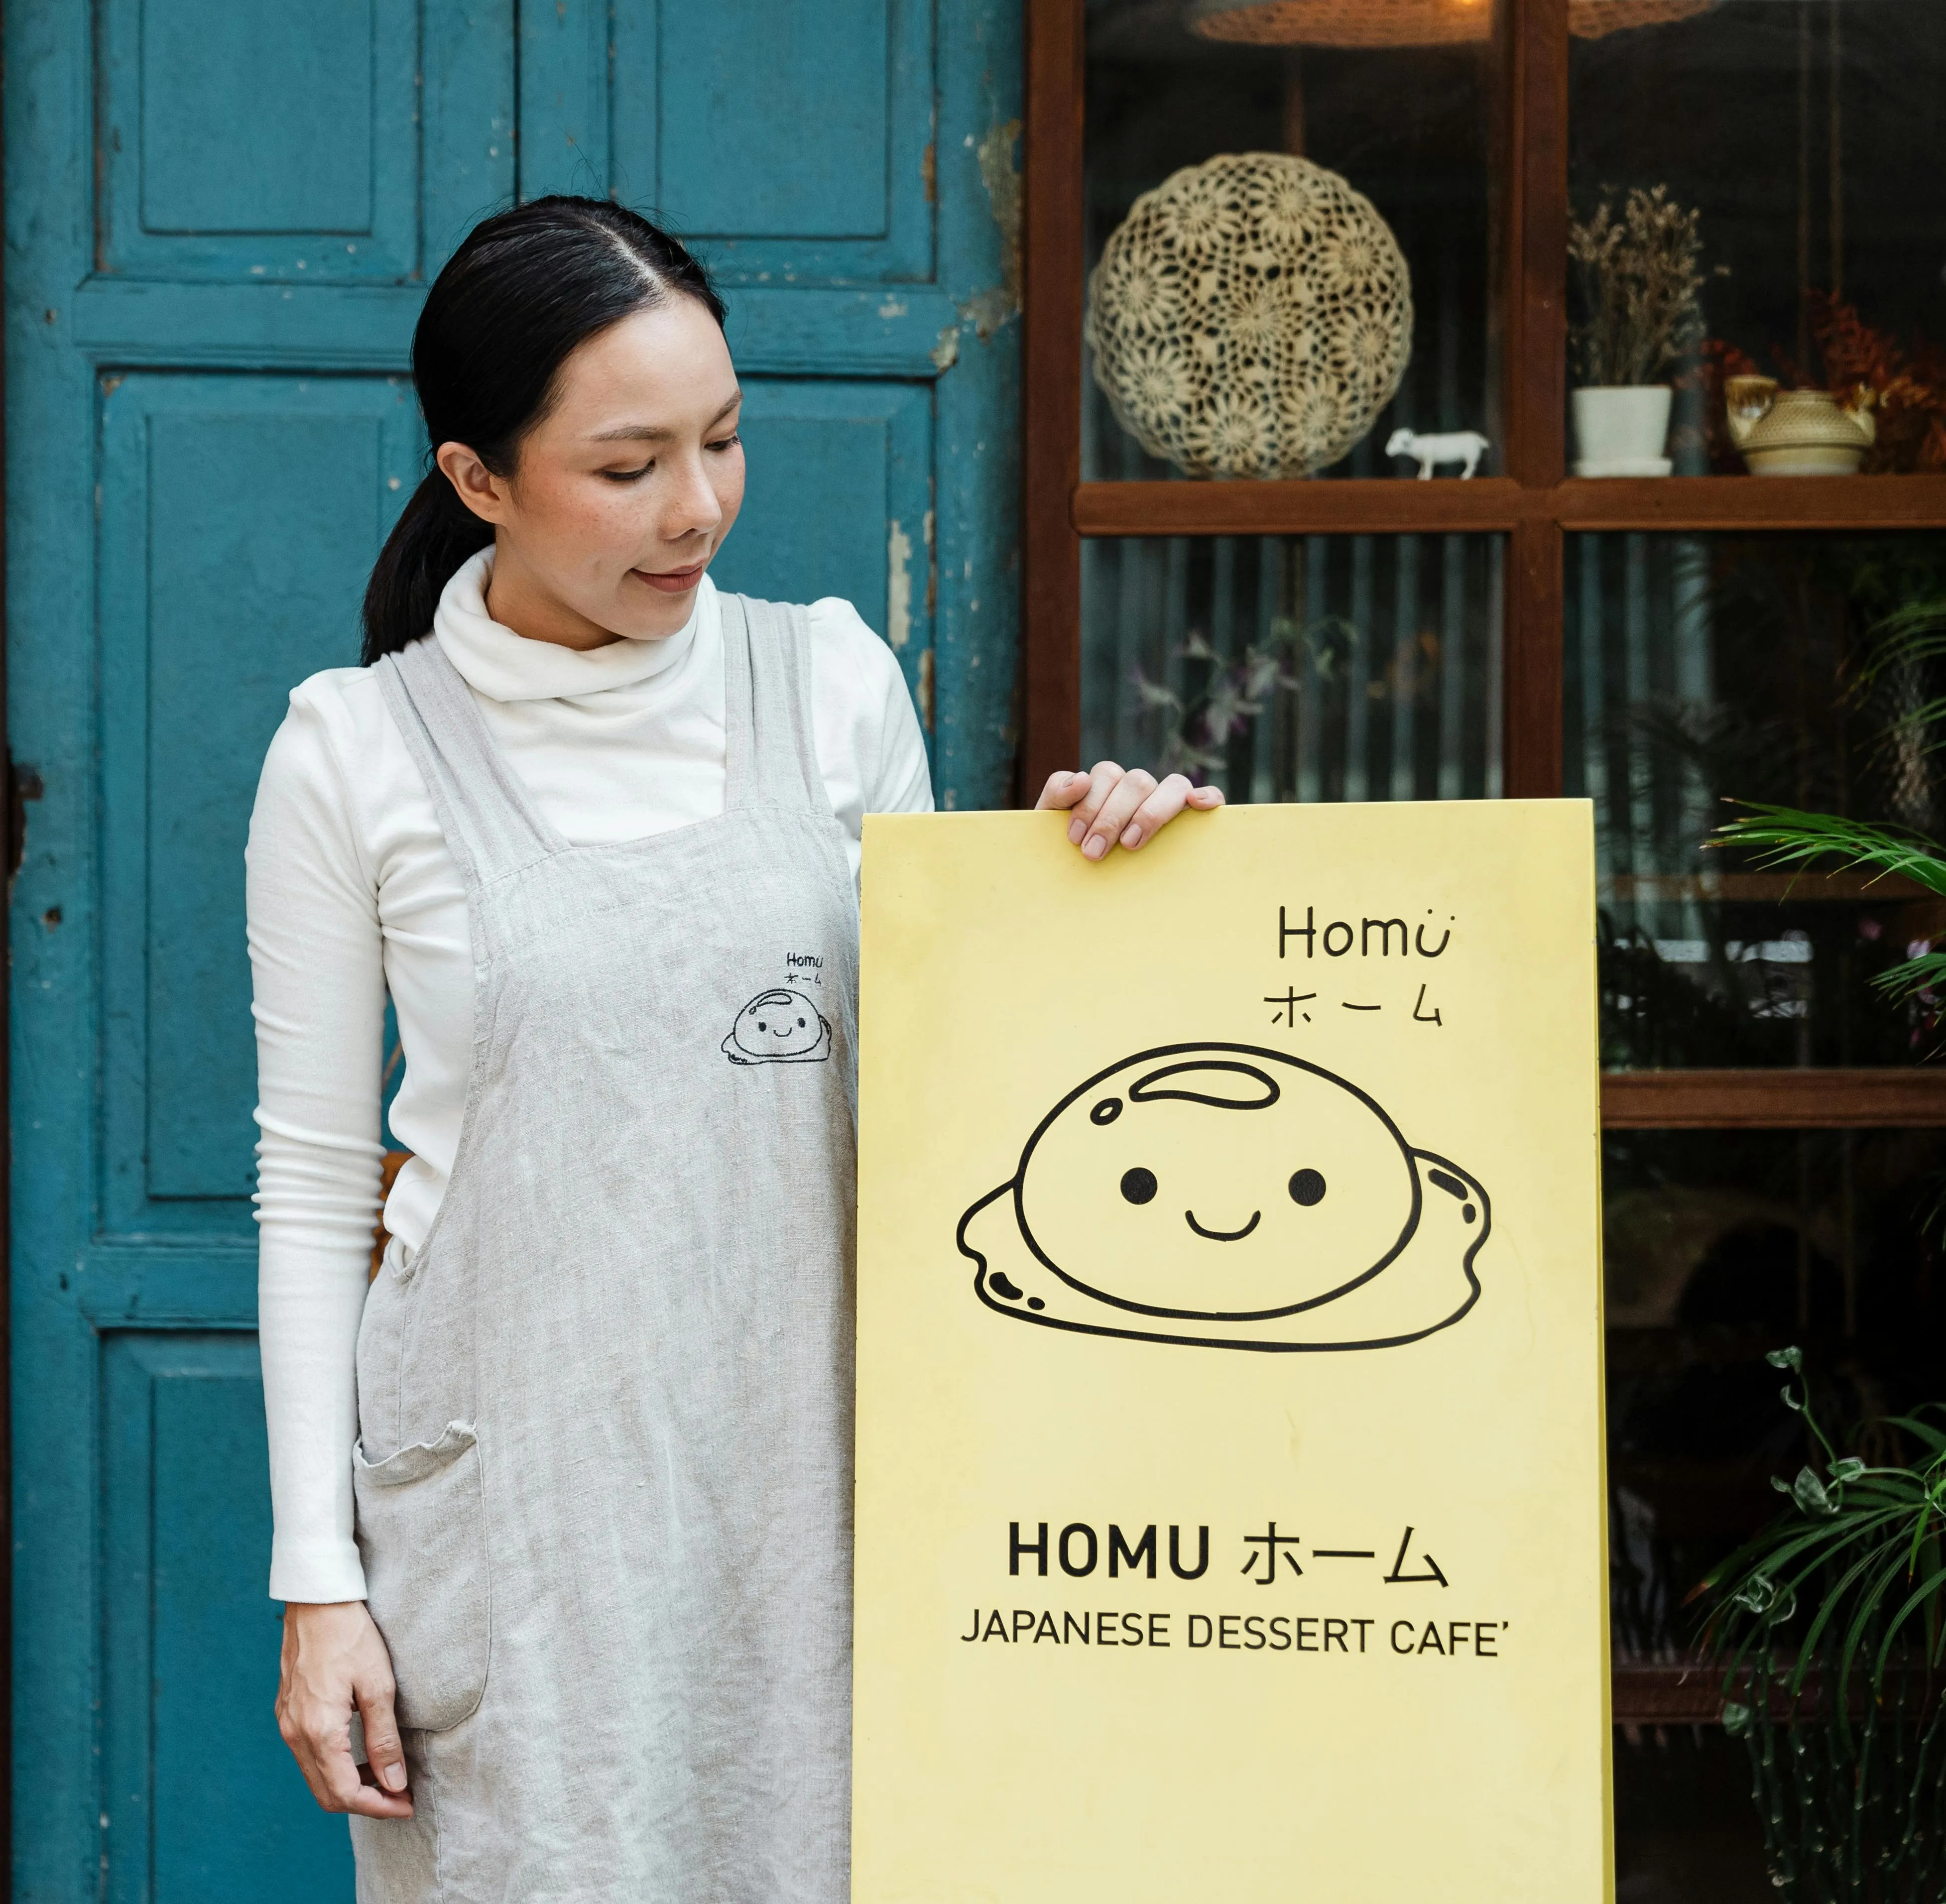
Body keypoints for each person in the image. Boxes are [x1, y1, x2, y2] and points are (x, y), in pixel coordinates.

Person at [245, 196, 1220, 1901]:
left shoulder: (830, 681)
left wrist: (1112, 893)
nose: (696, 508)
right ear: (478, 478)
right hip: (518, 1522)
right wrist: (318, 1584)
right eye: (627, 468)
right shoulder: (355, 750)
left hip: (822, 1492)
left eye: (725, 439)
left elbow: (953, 1104)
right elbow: (315, 1189)